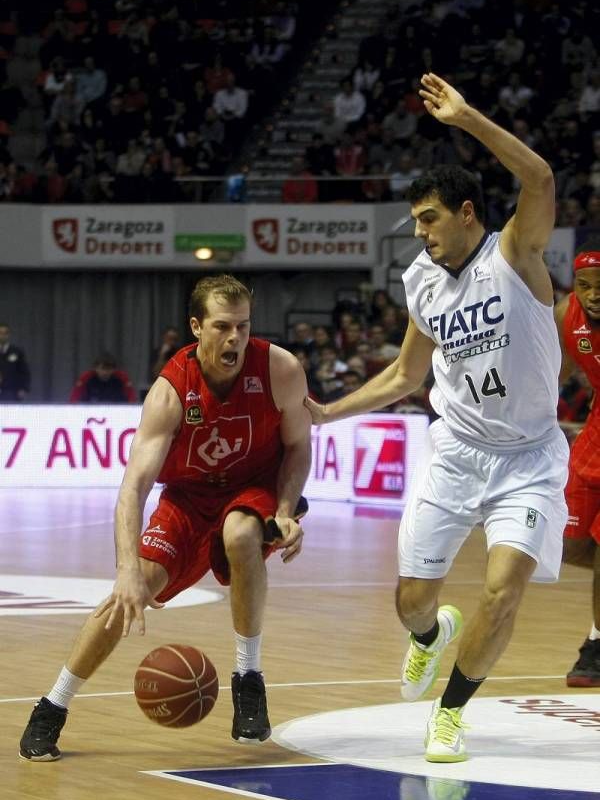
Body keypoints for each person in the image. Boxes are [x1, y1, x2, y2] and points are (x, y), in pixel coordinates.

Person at [305, 72, 569, 763]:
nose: (419, 233)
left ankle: (449, 714)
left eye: (429, 219)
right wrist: (328, 411)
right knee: (412, 600)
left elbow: (538, 176)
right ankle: (428, 636)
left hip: (530, 459)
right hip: (455, 452)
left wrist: (468, 119)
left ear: (468, 213)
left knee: (503, 590)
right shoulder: (421, 280)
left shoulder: (515, 254)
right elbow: (405, 375)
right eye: (416, 222)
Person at [20, 274, 311, 761]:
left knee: (242, 534)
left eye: (243, 326)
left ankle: (248, 678)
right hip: (187, 498)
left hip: (252, 488)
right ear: (197, 327)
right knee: (130, 592)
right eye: (222, 326)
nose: (235, 338)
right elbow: (133, 487)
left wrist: (284, 512)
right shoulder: (170, 392)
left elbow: (299, 445)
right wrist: (127, 571)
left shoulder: (280, 369)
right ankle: (52, 705)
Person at [554, 244, 600, 687]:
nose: (594, 295)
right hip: (594, 434)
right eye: (586, 286)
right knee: (566, 545)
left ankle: (597, 643)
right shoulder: (565, 312)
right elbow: (557, 368)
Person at [69, 352, 137, 404]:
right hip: (91, 409)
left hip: (117, 409)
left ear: (114, 369)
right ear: (95, 368)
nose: (105, 372)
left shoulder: (122, 377)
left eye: (108, 369)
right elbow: (74, 398)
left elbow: (132, 398)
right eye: (102, 369)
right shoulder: (86, 377)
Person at [0, 323, 30, 401]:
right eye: (0, 333)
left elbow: (24, 372)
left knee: (9, 412)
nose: (2, 336)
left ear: (8, 335)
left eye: (5, 333)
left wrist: (23, 388)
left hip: (11, 391)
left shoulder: (17, 352)